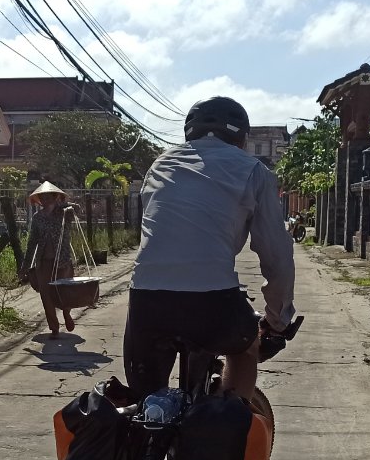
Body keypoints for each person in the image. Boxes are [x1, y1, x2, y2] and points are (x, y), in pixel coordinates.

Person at [123, 95, 297, 405]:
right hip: (212, 300)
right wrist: (276, 320)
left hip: (146, 301)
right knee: (246, 348)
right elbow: (278, 257)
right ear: (242, 139)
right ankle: (232, 420)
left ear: (189, 133)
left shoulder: (160, 164)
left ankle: (141, 448)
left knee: (142, 408)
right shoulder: (254, 170)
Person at [19, 181, 78, 339]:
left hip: (63, 260)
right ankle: (54, 327)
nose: (45, 199)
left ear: (54, 197)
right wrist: (25, 266)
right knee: (46, 295)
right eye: (42, 197)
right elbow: (32, 242)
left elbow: (77, 209)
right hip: (43, 262)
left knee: (65, 292)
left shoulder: (64, 213)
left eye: (48, 196)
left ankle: (66, 314)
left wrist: (65, 204)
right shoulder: (38, 218)